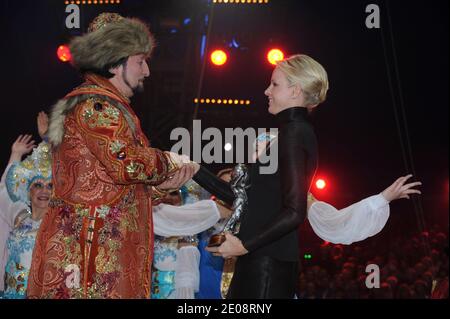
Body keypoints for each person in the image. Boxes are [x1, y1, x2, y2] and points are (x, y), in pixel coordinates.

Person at [195, 54, 422, 298]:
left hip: (267, 265)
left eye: (274, 84)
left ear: (295, 91)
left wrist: (243, 245)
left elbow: (295, 211)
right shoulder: (288, 134)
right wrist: (195, 171)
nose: (266, 90)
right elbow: (243, 198)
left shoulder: (295, 134)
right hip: (259, 260)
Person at [27, 13, 197, 299]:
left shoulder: (102, 103)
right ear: (116, 62)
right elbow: (127, 164)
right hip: (90, 253)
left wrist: (157, 188)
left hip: (95, 246)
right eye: (140, 61)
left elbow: (105, 185)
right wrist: (170, 161)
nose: (147, 72)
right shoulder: (95, 105)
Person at [0, 113, 51, 298]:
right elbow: (3, 193)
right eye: (38, 185)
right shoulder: (20, 218)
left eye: (50, 186)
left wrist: (48, 140)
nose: (44, 191)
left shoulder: (62, 225)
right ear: (28, 191)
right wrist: (16, 154)